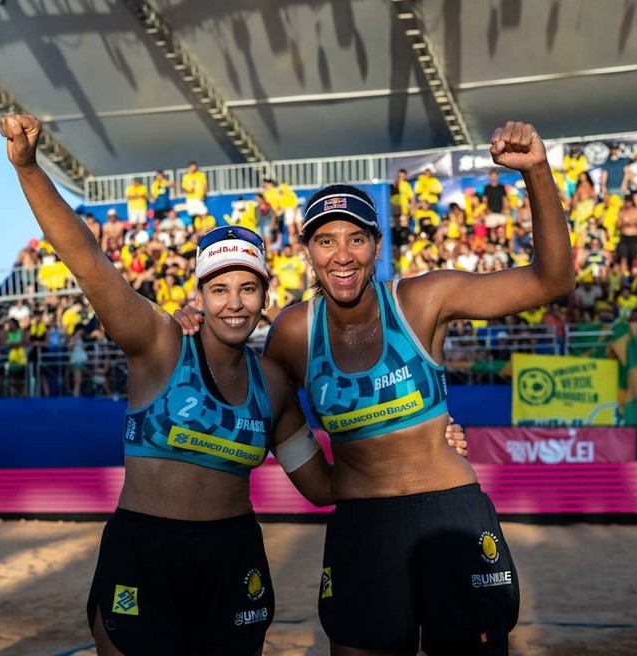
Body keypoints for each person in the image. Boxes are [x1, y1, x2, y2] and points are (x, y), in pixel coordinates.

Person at [0, 113, 469, 656]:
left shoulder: (271, 385)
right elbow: (85, 257)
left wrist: (421, 454)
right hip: (145, 549)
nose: (234, 302)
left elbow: (321, 487)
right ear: (198, 293)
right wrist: (30, 168)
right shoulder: (158, 344)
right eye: (219, 289)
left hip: (232, 554)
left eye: (248, 288)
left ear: (266, 297)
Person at [177, 121, 573, 655]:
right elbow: (251, 395)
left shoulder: (423, 299)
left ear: (376, 245)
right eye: (325, 240)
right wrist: (196, 334)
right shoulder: (295, 332)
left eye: (356, 238)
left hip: (449, 514)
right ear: (307, 253)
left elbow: (552, 280)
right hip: (362, 529)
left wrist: (537, 173)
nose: (342, 255)